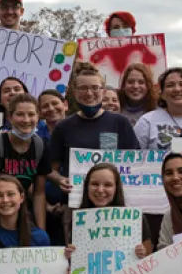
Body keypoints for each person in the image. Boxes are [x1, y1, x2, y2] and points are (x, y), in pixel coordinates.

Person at [48, 65, 139, 248]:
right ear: (74, 92)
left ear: (103, 91)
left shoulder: (120, 123)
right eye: (83, 88)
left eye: (94, 88)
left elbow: (136, 164)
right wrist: (60, 180)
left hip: (116, 209)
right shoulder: (63, 127)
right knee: (78, 258)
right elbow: (49, 169)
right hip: (76, 208)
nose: (89, 93)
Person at [0, 94, 49, 231]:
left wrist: (42, 232)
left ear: (38, 117)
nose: (26, 120)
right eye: (20, 114)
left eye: (31, 114)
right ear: (10, 117)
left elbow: (39, 193)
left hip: (20, 213)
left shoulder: (40, 146)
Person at [134, 68, 182, 151]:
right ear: (162, 94)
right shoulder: (146, 121)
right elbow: (133, 158)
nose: (177, 89)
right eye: (170, 85)